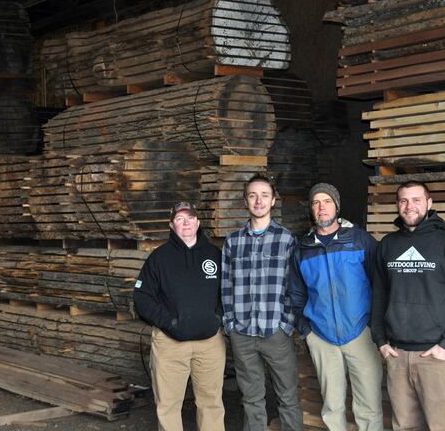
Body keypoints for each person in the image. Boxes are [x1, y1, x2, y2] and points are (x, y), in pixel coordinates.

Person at [371, 181, 445, 431]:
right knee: (404, 426)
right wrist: (380, 340)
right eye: (403, 200)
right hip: (397, 356)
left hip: (433, 357)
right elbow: (378, 295)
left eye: (416, 200)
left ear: (429, 204)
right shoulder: (387, 245)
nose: (410, 206)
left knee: (441, 427)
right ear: (397, 205)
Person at [288, 183, 384, 431]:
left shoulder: (360, 240)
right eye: (316, 203)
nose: (322, 207)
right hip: (322, 337)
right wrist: (307, 330)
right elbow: (296, 294)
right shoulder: (302, 249)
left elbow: (380, 283)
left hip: (361, 334)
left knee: (369, 406)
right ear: (311, 209)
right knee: (332, 406)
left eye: (327, 201)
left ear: (337, 206)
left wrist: (374, 326)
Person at [221, 173, 303, 431]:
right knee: (251, 398)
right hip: (242, 333)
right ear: (245, 201)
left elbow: (296, 286)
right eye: (253, 195)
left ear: (273, 200)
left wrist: (286, 323)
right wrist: (230, 324)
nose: (259, 201)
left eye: (264, 195)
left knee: (288, 397)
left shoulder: (287, 239)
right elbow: (225, 285)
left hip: (276, 332)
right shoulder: (233, 241)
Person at [134, 201, 225, 431]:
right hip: (170, 344)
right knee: (168, 405)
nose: (186, 223)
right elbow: (142, 298)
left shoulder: (215, 255)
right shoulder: (158, 258)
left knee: (212, 404)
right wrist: (169, 322)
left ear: (198, 221)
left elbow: (229, 292)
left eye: (190, 218)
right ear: (171, 225)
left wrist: (217, 318)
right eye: (180, 219)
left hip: (210, 344)